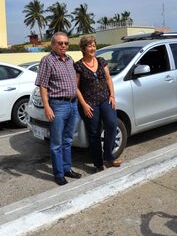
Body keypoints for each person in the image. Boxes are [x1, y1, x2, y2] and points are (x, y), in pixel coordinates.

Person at [35, 32, 81, 186]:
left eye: (66, 43)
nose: (63, 46)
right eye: (60, 43)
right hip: (58, 105)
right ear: (53, 44)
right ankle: (58, 173)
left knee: (68, 140)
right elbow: (43, 85)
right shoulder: (47, 60)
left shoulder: (69, 60)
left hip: (72, 104)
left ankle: (67, 168)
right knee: (56, 142)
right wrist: (47, 106)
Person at [74, 36, 122, 172]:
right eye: (89, 46)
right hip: (89, 104)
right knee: (94, 133)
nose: (93, 48)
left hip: (105, 99)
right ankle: (98, 163)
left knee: (112, 124)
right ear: (83, 48)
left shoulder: (101, 61)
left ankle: (108, 155)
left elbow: (108, 79)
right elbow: (76, 87)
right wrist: (83, 104)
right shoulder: (78, 66)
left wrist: (112, 95)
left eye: (94, 45)